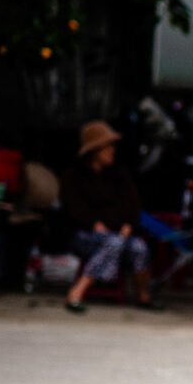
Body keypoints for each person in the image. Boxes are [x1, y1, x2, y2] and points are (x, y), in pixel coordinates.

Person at [61, 120, 161, 313]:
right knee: (113, 243)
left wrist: (127, 225)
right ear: (95, 151)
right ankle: (76, 293)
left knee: (138, 247)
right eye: (107, 147)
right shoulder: (74, 177)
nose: (111, 151)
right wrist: (94, 224)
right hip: (85, 235)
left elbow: (132, 206)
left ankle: (143, 295)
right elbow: (74, 210)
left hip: (118, 233)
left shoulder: (119, 175)